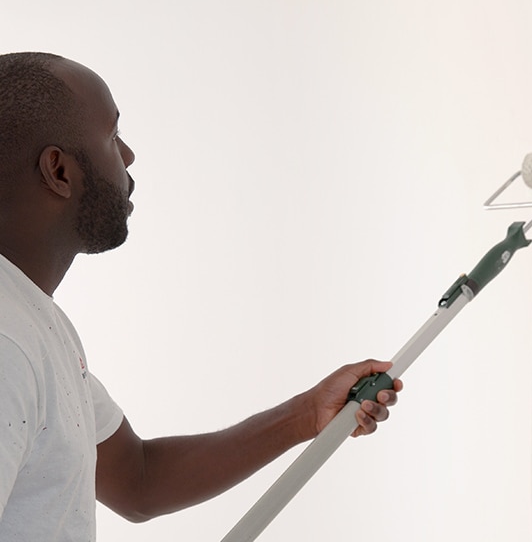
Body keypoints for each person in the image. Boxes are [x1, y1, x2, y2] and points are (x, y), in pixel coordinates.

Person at [0, 52, 402, 540]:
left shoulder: (37, 324)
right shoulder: (8, 344)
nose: (127, 156)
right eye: (112, 136)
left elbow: (139, 479)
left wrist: (306, 413)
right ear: (59, 171)